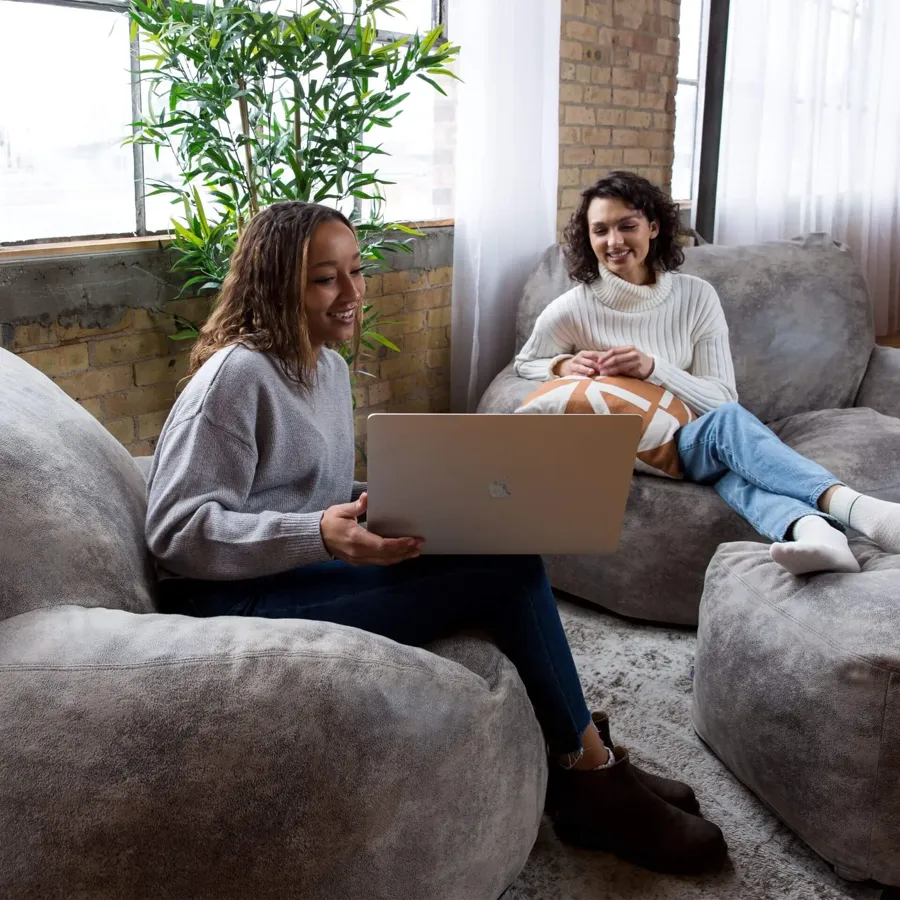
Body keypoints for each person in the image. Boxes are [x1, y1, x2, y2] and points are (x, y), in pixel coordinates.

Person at [144, 200, 727, 875]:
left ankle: (583, 749)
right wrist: (317, 534)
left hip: (294, 567)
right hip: (227, 599)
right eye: (324, 279)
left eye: (356, 272)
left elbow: (298, 491)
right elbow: (175, 532)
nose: (353, 294)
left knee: (501, 541)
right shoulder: (236, 376)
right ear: (276, 286)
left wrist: (372, 508)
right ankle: (590, 779)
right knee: (503, 576)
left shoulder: (325, 366)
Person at [515, 171, 900, 576]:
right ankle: (859, 509)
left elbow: (721, 399)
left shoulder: (696, 297)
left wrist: (654, 368)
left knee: (730, 465)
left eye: (627, 226)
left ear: (653, 227)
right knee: (727, 431)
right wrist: (561, 364)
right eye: (600, 230)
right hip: (636, 445)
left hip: (693, 441)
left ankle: (817, 534)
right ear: (588, 238)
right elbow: (525, 362)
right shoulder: (573, 307)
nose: (614, 242)